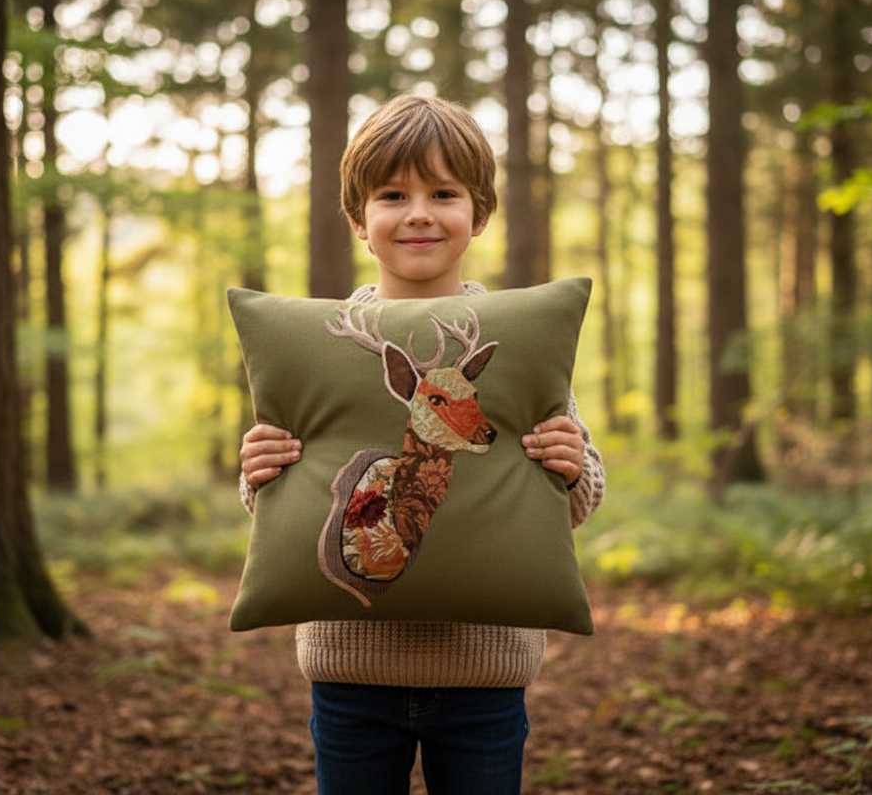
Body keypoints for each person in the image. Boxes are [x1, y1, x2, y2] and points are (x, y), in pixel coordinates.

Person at [238, 94, 605, 795]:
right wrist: (259, 473)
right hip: (351, 673)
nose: (418, 213)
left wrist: (572, 463)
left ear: (480, 212)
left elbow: (570, 498)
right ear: (358, 220)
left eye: (444, 193)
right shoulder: (318, 346)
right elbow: (294, 497)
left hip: (484, 677)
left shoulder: (523, 340)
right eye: (392, 194)